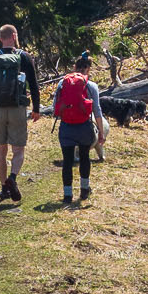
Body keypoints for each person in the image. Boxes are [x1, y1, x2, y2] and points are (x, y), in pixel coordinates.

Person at [0, 23, 40, 203]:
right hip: (17, 107)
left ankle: (4, 188)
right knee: (18, 149)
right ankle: (12, 178)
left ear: (0, 38)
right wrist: (36, 108)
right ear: (14, 36)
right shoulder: (24, 57)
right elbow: (34, 85)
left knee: (1, 150)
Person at [51, 53, 107, 204]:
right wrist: (101, 133)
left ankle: (67, 195)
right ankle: (84, 191)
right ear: (88, 69)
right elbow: (97, 111)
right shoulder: (92, 86)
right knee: (84, 158)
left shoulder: (62, 83)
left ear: (74, 67)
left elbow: (54, 108)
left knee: (67, 161)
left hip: (67, 128)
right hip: (84, 127)